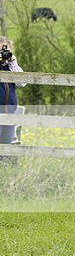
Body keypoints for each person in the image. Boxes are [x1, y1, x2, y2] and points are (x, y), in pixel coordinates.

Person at [0, 36, 25, 164]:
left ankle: (4, 169)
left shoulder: (11, 67)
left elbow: (22, 82)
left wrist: (12, 62)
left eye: (6, 50)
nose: (4, 54)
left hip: (10, 110)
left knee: (6, 145)